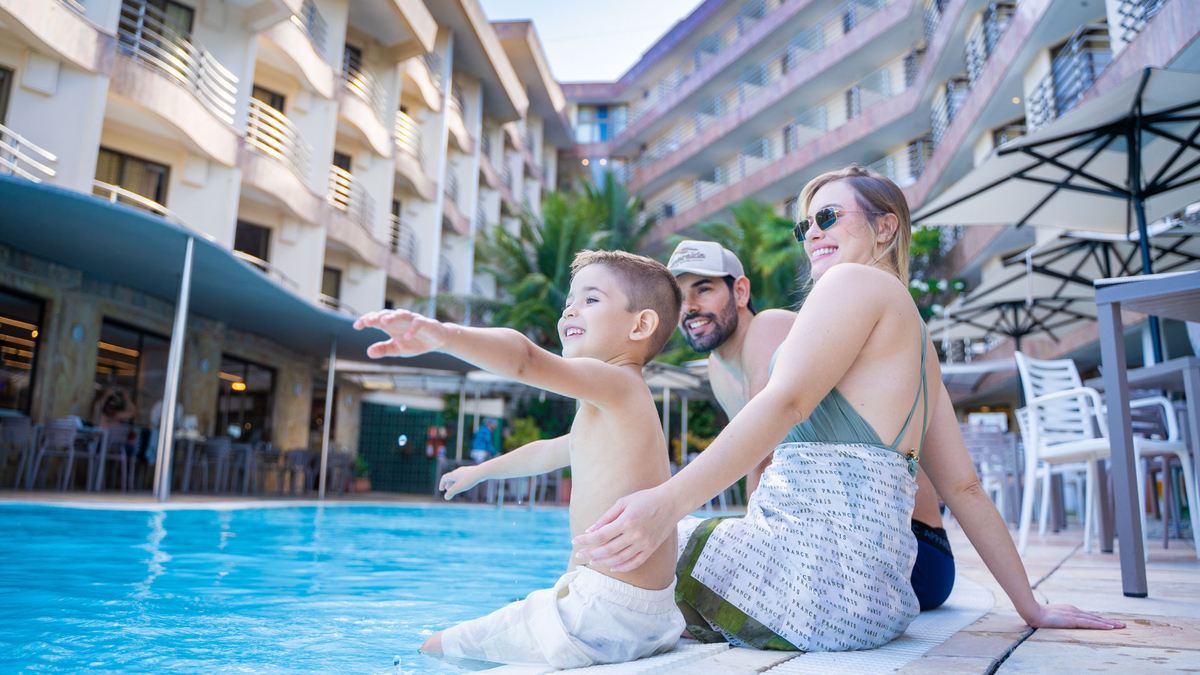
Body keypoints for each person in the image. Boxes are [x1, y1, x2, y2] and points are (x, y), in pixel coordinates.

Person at [573, 166, 1123, 652]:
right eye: (806, 225)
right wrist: (1031, 606)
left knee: (617, 554)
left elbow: (785, 403)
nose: (812, 233)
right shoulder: (917, 335)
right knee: (641, 562)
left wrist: (666, 503)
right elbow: (965, 488)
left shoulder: (851, 282)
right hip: (874, 606)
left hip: (811, 587)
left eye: (829, 217)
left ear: (885, 228)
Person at [354, 249, 687, 668]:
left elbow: (525, 359)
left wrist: (444, 335)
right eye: (570, 300)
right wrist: (479, 471)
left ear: (640, 325)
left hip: (600, 612)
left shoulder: (618, 384)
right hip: (646, 616)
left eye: (591, 299)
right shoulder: (618, 407)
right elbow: (548, 451)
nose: (570, 309)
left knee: (435, 647)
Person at [667, 239, 956, 611]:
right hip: (837, 542)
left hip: (907, 552)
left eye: (703, 289)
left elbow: (762, 453)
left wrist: (752, 551)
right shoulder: (717, 367)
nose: (689, 307)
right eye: (678, 298)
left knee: (679, 558)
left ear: (739, 291)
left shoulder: (768, 328)